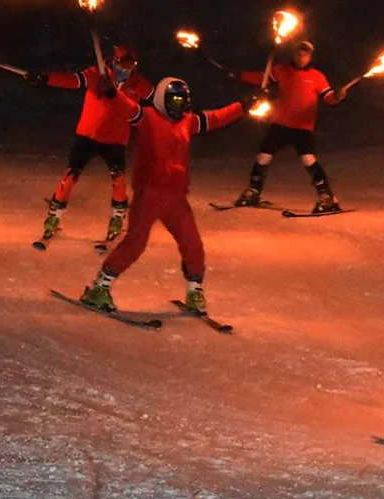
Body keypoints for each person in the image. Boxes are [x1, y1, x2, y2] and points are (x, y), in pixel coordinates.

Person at [79, 78, 262, 315]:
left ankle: (194, 291)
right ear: (162, 100)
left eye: (184, 101)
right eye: (175, 100)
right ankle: (99, 288)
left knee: (193, 245)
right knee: (135, 243)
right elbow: (128, 108)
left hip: (176, 197)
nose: (180, 106)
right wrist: (114, 94)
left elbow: (215, 118)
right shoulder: (148, 118)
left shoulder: (188, 121)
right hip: (150, 195)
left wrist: (242, 106)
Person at [27, 45, 153, 246]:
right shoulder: (97, 75)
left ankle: (116, 221)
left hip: (115, 139)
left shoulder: (138, 83)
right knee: (70, 176)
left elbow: (157, 100)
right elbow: (73, 80)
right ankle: (53, 219)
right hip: (88, 135)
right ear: (114, 61)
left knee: (118, 179)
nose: (127, 69)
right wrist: (45, 78)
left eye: (132, 64)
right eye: (123, 63)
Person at [231, 39, 348, 214]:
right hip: (280, 124)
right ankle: (253, 191)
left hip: (303, 127)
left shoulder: (317, 76)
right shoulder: (281, 70)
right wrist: (239, 75)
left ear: (310, 57)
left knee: (308, 159)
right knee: (263, 157)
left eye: (305, 54)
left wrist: (338, 96)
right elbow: (260, 77)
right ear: (294, 54)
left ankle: (326, 197)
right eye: (299, 53)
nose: (301, 57)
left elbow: (329, 98)